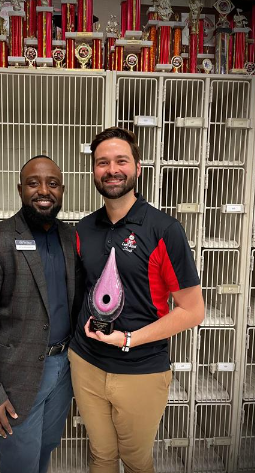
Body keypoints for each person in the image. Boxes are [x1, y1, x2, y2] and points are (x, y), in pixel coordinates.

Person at [69, 127, 204, 473]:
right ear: (93, 170)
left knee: (136, 461)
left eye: (120, 160)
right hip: (86, 364)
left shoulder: (163, 229)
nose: (111, 169)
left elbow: (192, 311)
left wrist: (128, 339)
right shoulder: (83, 230)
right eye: (102, 162)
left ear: (138, 167)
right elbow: (82, 292)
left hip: (141, 370)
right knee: (100, 456)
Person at [0, 155, 81, 473]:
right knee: (20, 461)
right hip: (18, 378)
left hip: (63, 370)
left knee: (45, 448)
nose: (44, 190)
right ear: (20, 189)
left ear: (61, 190)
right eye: (34, 183)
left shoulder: (71, 239)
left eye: (52, 184)